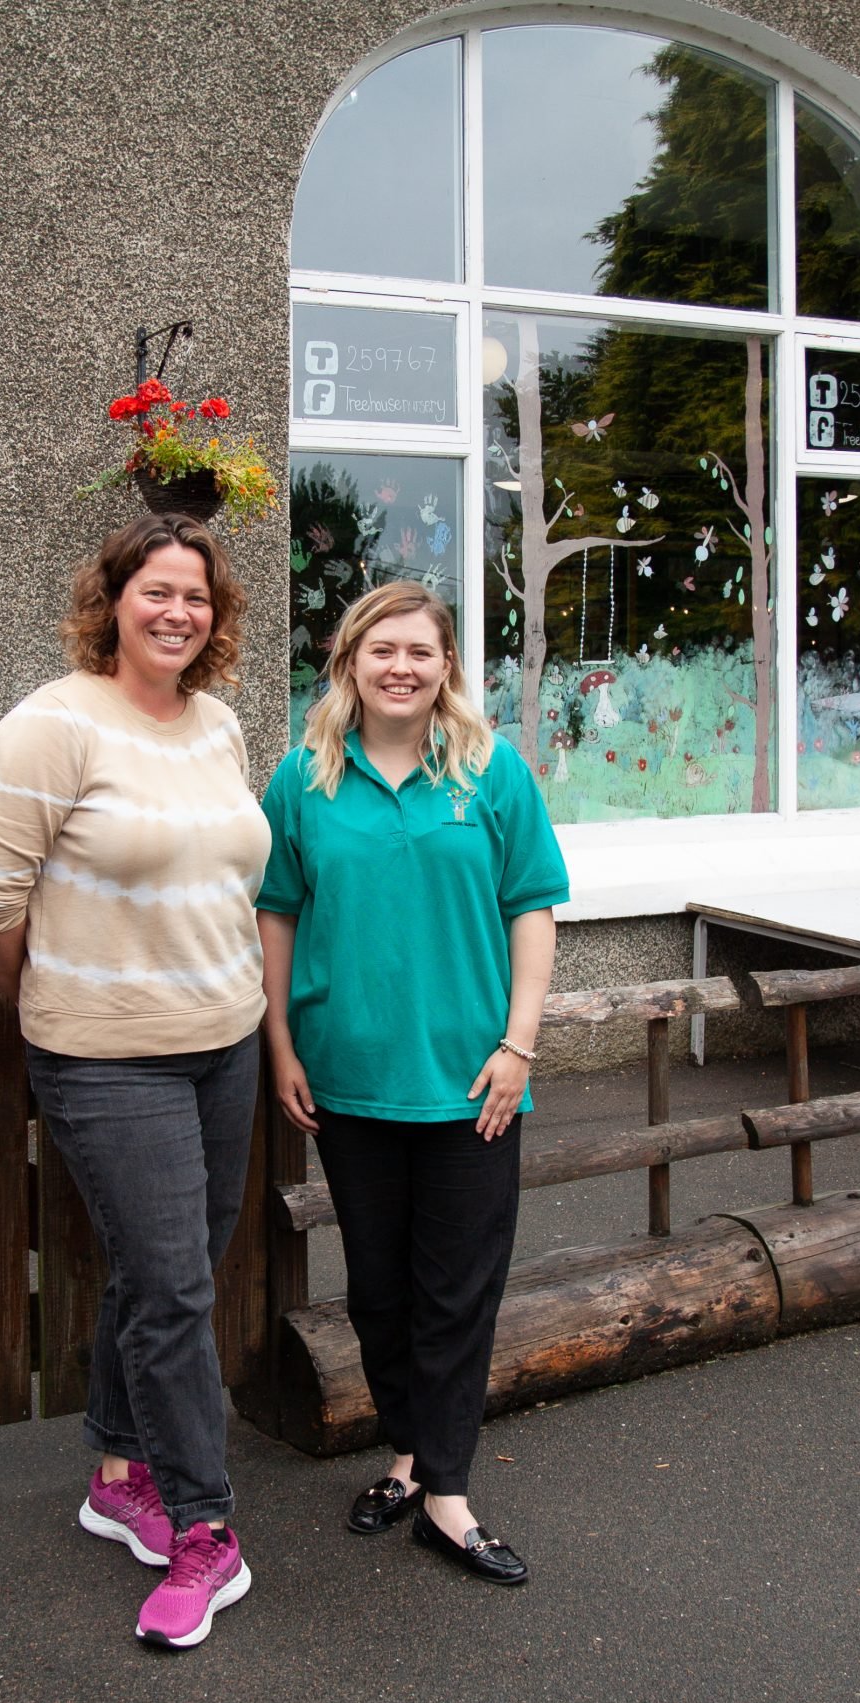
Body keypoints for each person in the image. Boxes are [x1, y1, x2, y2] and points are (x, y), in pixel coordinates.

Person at [0, 512, 269, 1649]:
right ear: (113, 601)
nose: (177, 612)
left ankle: (117, 1472)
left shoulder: (220, 726)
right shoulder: (51, 726)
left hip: (223, 1036)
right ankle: (203, 1525)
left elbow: (231, 875)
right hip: (105, 1056)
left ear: (215, 615)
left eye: (196, 596)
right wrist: (59, 992)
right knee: (176, 1287)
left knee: (164, 1270)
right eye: (156, 592)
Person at [256, 579, 566, 1588]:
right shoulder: (302, 779)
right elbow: (276, 916)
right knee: (381, 1292)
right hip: (347, 1081)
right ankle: (403, 1455)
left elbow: (531, 909)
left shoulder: (490, 773)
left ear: (446, 669)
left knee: (455, 1293)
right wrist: (280, 1047)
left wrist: (518, 1047)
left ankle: (446, 1494)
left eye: (419, 653)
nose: (400, 667)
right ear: (348, 661)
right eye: (380, 650)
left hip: (473, 1083)